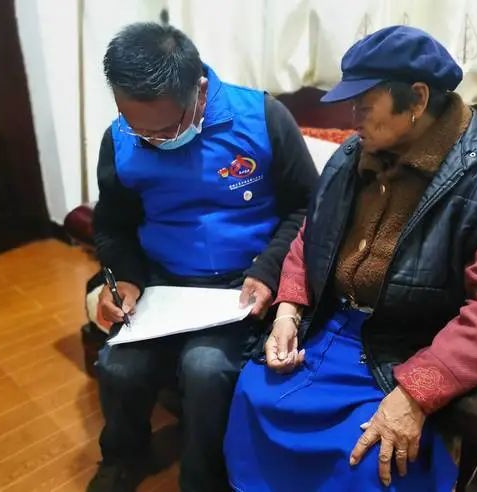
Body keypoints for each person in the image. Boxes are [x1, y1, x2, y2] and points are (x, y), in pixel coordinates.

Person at [224, 25, 477, 491]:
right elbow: (311, 237)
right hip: (331, 325)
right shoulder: (354, 154)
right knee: (254, 393)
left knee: (366, 458)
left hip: (408, 348)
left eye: (364, 104)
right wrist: (288, 310)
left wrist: (416, 393)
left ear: (416, 98)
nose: (352, 117)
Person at [87, 23, 318, 492]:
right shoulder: (120, 139)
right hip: (162, 284)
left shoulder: (262, 119)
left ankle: (203, 480)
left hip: (241, 286)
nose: (152, 140)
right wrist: (126, 278)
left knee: (207, 369)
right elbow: (112, 225)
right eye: (136, 127)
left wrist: (269, 268)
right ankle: (123, 457)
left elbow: (307, 209)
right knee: (118, 366)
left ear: (201, 90)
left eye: (166, 129)